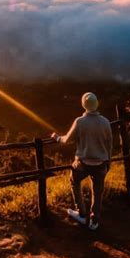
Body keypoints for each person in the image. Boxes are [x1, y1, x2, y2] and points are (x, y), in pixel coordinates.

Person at [51, 92, 112, 230]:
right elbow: (109, 145)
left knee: (74, 181)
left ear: (83, 105)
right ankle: (94, 221)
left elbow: (65, 140)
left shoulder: (80, 122)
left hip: (83, 163)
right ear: (97, 104)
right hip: (101, 163)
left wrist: (56, 137)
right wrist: (108, 162)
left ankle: (81, 212)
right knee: (97, 192)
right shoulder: (105, 122)